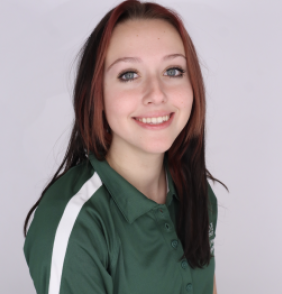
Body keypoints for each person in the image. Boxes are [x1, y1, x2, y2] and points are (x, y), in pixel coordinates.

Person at [23, 0, 228, 293]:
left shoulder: (197, 191)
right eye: (129, 74)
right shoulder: (75, 222)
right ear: (96, 95)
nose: (156, 94)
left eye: (173, 70)